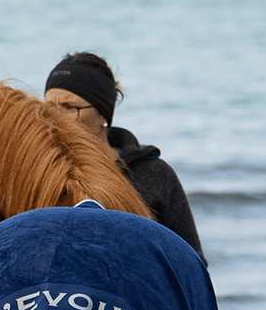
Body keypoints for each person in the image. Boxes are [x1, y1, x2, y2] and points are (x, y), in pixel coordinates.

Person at [43, 52, 205, 263]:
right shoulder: (41, 175)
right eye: (48, 108)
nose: (54, 119)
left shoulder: (154, 173)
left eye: (69, 108)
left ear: (103, 113)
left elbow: (192, 261)